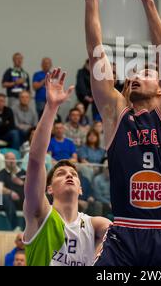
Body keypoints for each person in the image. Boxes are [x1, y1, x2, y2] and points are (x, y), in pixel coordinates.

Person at [71, 0, 161, 266]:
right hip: (123, 232)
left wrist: (148, 2)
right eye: (133, 74)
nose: (136, 76)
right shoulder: (114, 115)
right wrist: (90, 0)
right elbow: (96, 50)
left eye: (146, 74)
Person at [23, 68, 111, 266]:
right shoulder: (40, 213)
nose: (69, 175)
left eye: (73, 174)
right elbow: (36, 161)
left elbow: (123, 236)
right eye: (61, 174)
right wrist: (52, 107)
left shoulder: (95, 225)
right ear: (49, 189)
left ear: (80, 189)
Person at [0, 152, 26, 229]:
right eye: (9, 159)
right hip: (4, 201)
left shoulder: (23, 172)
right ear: (5, 161)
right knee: (6, 198)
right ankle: (15, 227)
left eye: (13, 159)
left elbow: (32, 187)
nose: (12, 161)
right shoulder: (1, 173)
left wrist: (22, 183)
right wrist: (11, 192)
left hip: (22, 201)